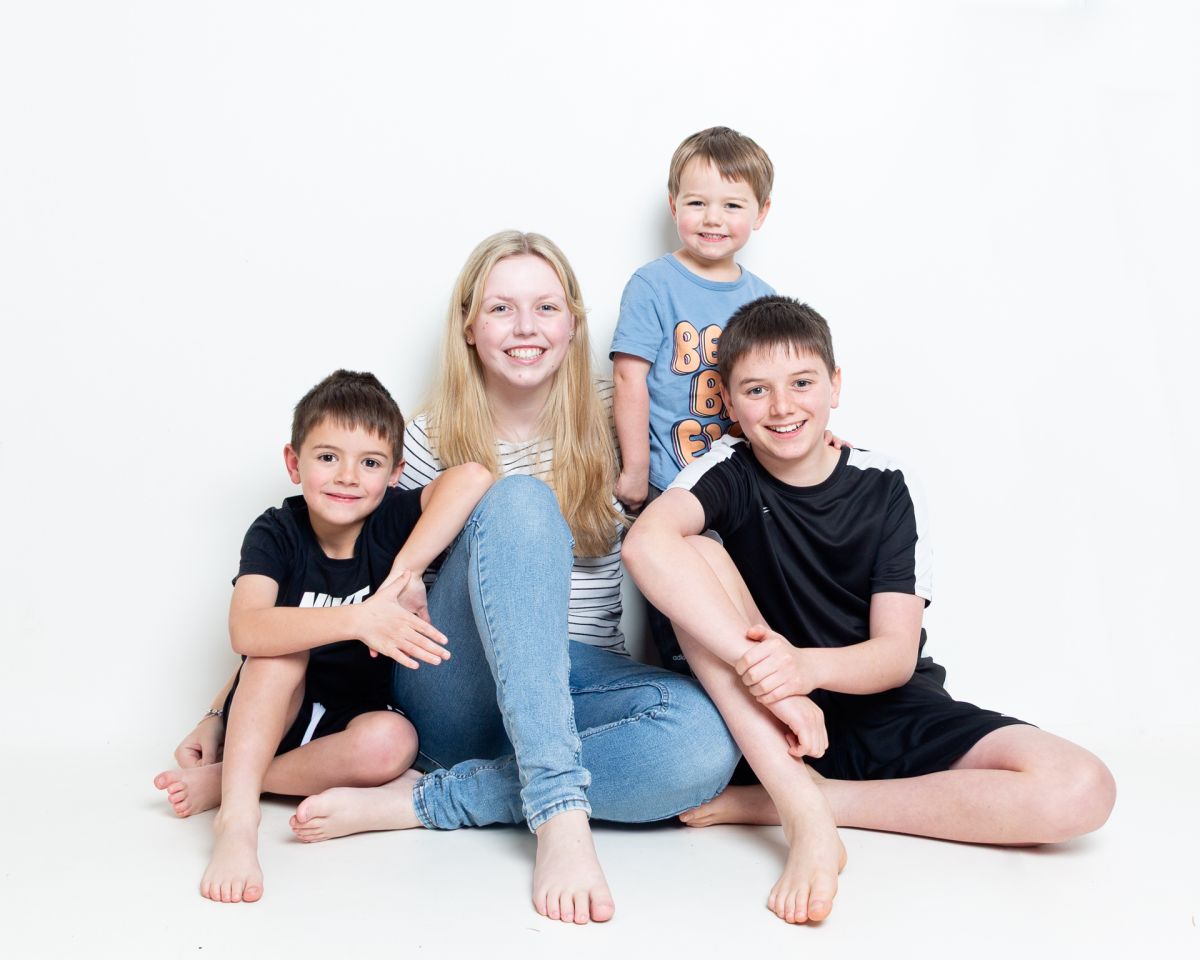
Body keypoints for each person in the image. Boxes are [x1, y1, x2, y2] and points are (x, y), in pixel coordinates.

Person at [172, 232, 740, 924]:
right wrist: (216, 711)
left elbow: (711, 500)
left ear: (573, 324)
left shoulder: (619, 422)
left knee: (704, 743)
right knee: (520, 499)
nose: (526, 328)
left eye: (545, 308)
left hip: (577, 683)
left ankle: (428, 801)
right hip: (458, 685)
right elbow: (322, 584)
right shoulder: (421, 442)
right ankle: (559, 813)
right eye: (501, 309)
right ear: (469, 327)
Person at [622, 296, 1116, 925]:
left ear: (835, 385)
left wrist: (805, 668)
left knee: (1081, 787)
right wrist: (773, 676)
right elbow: (646, 545)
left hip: (877, 703)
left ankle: (808, 801)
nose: (782, 407)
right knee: (688, 548)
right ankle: (799, 804)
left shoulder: (887, 486)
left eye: (802, 383)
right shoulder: (725, 470)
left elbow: (893, 656)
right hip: (766, 719)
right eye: (757, 390)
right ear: (730, 402)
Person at [154, 369, 495, 904]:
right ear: (294, 463)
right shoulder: (277, 532)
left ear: (395, 475)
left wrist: (402, 577)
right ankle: (238, 823)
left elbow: (473, 476)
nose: (348, 477)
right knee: (280, 650)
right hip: (270, 714)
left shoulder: (390, 523)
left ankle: (234, 781)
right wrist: (360, 618)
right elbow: (247, 628)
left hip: (340, 733)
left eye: (371, 463)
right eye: (328, 456)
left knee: (396, 742)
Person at [609, 125, 776, 673]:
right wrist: (635, 470)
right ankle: (688, 713)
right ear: (673, 204)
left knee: (742, 604)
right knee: (680, 611)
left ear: (761, 213)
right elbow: (630, 378)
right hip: (666, 477)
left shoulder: (762, 299)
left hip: (738, 483)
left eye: (732, 205)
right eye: (697, 202)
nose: (712, 218)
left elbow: (778, 390)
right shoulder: (653, 285)